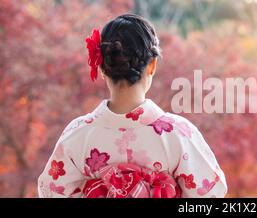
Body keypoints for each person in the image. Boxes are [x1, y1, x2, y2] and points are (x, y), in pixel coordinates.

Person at [37, 14, 227, 198]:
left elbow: (51, 191)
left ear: (102, 68)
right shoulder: (178, 134)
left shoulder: (78, 134)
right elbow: (211, 193)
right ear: (152, 65)